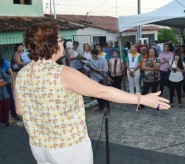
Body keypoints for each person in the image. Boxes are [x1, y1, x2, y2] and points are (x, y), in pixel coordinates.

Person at [14, 22, 170, 164]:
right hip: (69, 147)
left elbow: (20, 110)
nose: (63, 43)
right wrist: (141, 99)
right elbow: (102, 91)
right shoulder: (62, 73)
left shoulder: (22, 74)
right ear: (52, 44)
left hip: (39, 146)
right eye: (60, 39)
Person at [0, 53, 19, 121]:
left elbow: (10, 71)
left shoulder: (3, 61)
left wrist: (13, 82)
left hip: (5, 83)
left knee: (10, 99)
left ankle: (14, 114)